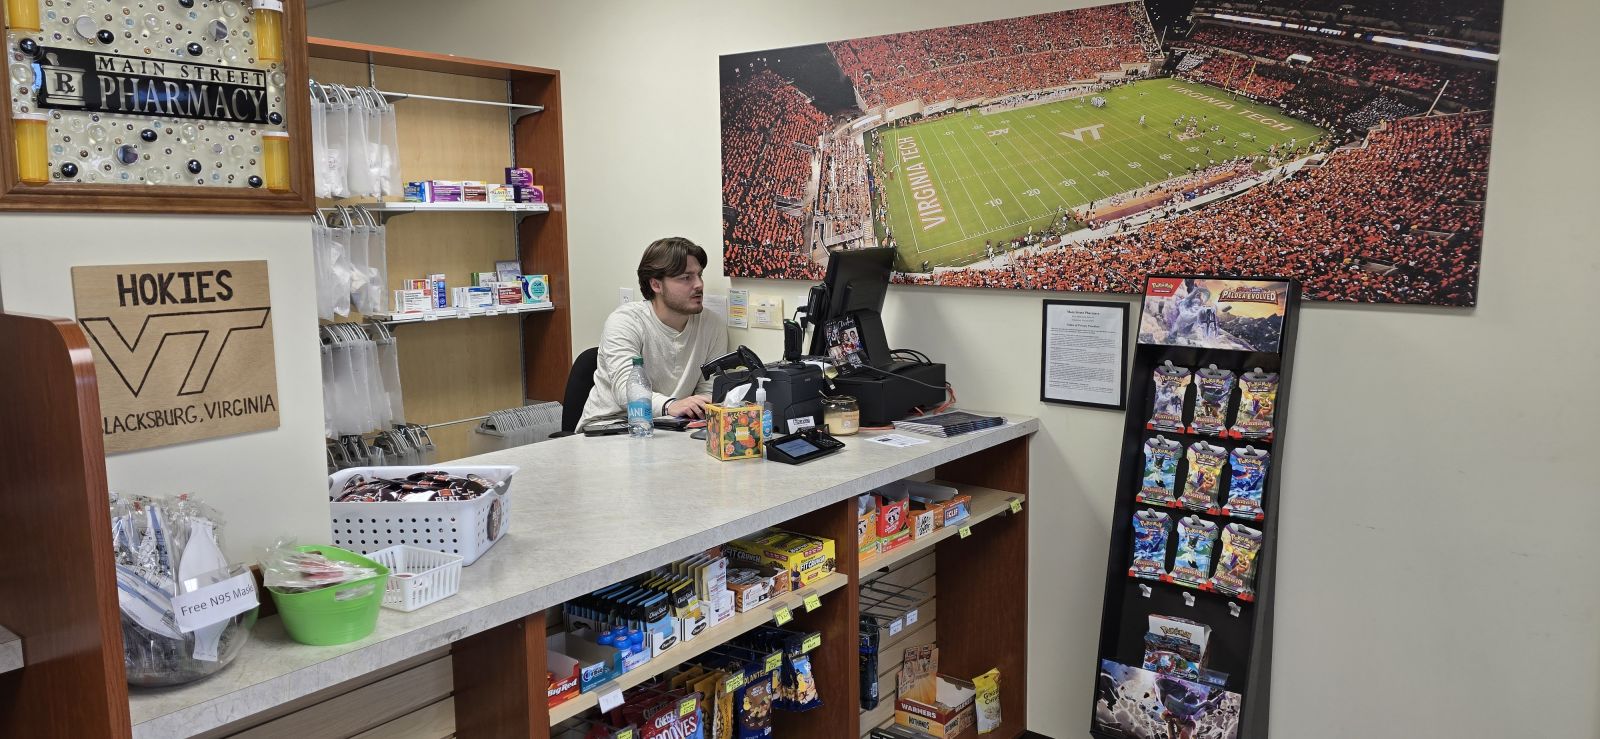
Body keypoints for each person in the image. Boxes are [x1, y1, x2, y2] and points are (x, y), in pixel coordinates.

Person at [576, 237, 729, 431]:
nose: (699, 285)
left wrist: (698, 409)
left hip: (670, 427)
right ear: (656, 285)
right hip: (609, 427)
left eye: (699, 275)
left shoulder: (712, 325)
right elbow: (626, 391)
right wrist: (670, 406)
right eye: (686, 277)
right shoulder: (625, 321)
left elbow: (709, 391)